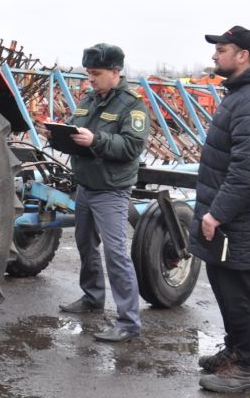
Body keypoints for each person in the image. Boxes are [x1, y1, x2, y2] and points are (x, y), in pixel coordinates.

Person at [190, 25, 250, 394]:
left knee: (243, 295)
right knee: (229, 290)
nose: (215, 55)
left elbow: (249, 168)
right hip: (235, 218)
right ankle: (234, 351)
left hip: (244, 221)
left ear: (243, 54)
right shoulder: (244, 95)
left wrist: (218, 214)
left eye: (223, 49)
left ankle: (245, 369)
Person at [58, 43, 148, 343]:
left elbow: (131, 147)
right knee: (85, 245)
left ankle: (128, 321)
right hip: (86, 186)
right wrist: (59, 133)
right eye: (88, 74)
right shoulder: (88, 99)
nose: (90, 80)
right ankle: (93, 297)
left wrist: (95, 140)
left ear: (115, 72)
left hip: (111, 190)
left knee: (116, 254)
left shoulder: (132, 105)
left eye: (95, 74)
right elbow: (75, 127)